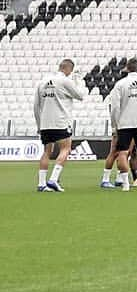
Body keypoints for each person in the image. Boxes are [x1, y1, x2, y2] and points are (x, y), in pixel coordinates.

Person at [32, 58, 87, 192]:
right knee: (65, 149)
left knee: (46, 152)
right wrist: (78, 80)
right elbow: (80, 95)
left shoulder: (42, 82)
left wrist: (39, 125)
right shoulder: (65, 80)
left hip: (45, 123)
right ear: (69, 69)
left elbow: (36, 106)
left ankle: (41, 184)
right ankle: (53, 179)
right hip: (61, 122)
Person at [106, 58, 137, 192]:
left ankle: (126, 184)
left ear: (127, 69)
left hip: (124, 123)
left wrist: (115, 125)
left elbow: (115, 107)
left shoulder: (120, 84)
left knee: (123, 153)